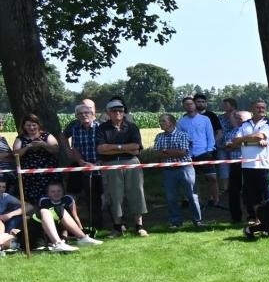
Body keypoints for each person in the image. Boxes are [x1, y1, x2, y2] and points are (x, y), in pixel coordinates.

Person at [95, 100, 148, 237]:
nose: (118, 113)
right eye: (114, 111)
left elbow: (136, 148)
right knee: (114, 195)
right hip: (111, 164)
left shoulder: (132, 127)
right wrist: (124, 148)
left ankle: (139, 226)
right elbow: (101, 149)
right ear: (108, 113)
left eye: (120, 110)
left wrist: (112, 147)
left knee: (136, 192)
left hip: (132, 162)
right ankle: (118, 227)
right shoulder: (102, 129)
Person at [152, 113, 203, 228]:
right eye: (160, 121)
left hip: (185, 168)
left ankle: (197, 220)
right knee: (171, 197)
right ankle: (175, 221)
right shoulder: (159, 137)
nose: (161, 123)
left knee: (191, 195)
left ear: (171, 122)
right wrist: (171, 151)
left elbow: (182, 152)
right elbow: (156, 154)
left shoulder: (183, 135)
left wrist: (164, 151)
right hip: (168, 170)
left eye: (163, 121)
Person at [61, 101, 104, 233]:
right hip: (80, 163)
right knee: (73, 194)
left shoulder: (100, 127)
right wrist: (74, 156)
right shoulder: (74, 126)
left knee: (96, 195)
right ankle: (71, 225)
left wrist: (97, 164)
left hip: (99, 164)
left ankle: (99, 224)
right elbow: (65, 137)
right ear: (76, 116)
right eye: (80, 114)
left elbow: (105, 146)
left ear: (93, 114)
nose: (84, 115)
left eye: (86, 113)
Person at [11, 113, 63, 207]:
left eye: (34, 125)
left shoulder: (46, 135)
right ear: (24, 126)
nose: (31, 127)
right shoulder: (20, 138)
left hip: (48, 174)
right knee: (31, 199)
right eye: (28, 125)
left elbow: (56, 149)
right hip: (29, 176)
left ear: (38, 125)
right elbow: (15, 154)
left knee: (50, 195)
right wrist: (27, 147)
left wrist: (43, 144)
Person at [177, 96, 219, 210]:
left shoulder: (205, 119)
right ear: (184, 106)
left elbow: (210, 135)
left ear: (194, 105)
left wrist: (210, 149)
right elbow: (180, 138)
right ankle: (198, 202)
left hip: (204, 152)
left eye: (191, 104)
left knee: (212, 178)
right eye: (186, 104)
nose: (189, 106)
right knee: (193, 180)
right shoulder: (181, 121)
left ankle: (215, 200)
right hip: (189, 155)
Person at [237, 100, 269, 216]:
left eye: (263, 108)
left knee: (268, 194)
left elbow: (260, 136)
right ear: (252, 109)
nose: (261, 110)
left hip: (265, 164)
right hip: (247, 165)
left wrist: (243, 140)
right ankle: (254, 218)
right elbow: (235, 141)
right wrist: (253, 140)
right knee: (251, 194)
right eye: (258, 108)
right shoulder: (244, 124)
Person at [219, 105, 248, 223]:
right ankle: (236, 217)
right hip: (235, 164)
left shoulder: (251, 130)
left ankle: (252, 215)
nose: (237, 120)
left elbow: (253, 143)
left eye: (240, 118)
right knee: (233, 191)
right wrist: (239, 144)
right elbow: (226, 146)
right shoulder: (231, 132)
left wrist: (235, 144)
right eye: (236, 118)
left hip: (249, 165)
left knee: (249, 191)